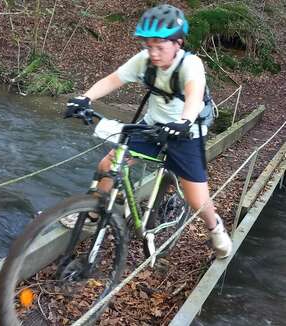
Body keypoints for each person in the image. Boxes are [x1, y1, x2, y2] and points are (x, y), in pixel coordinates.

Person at [64, 4, 232, 259]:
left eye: (159, 46)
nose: (152, 53)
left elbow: (195, 92)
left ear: (178, 43)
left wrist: (184, 121)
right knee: (109, 164)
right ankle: (94, 213)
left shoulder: (191, 64)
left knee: (197, 199)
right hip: (153, 125)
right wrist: (84, 98)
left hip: (186, 133)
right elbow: (114, 79)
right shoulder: (145, 60)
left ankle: (216, 229)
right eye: (148, 45)